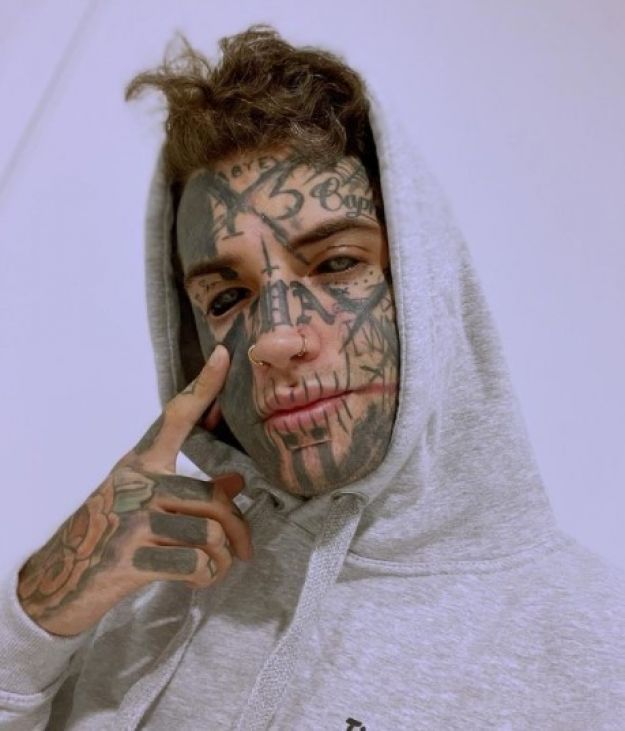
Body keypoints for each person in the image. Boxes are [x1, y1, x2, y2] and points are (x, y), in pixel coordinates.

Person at [0, 24, 623, 730]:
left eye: (336, 264)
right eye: (226, 298)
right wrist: (38, 612)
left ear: (424, 284)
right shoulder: (142, 585)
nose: (275, 338)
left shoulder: (596, 657)